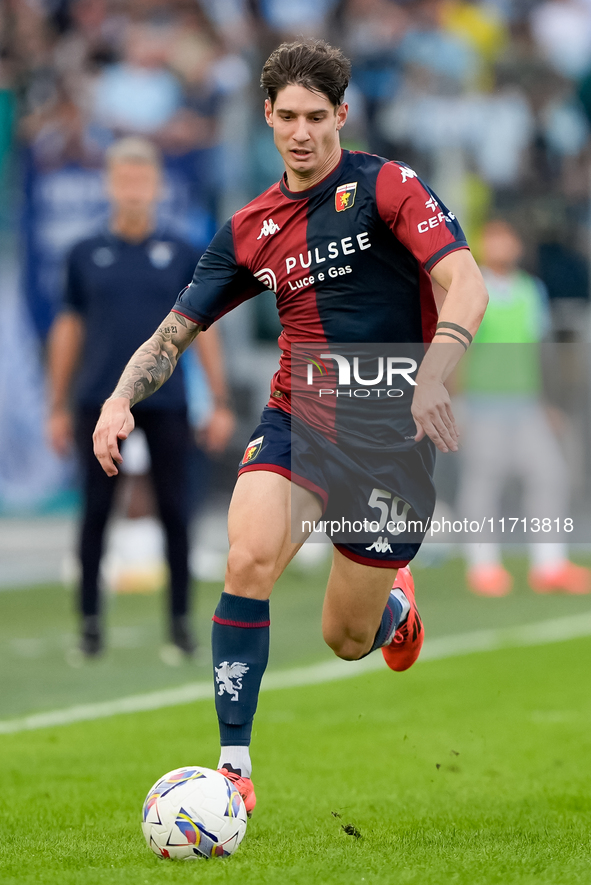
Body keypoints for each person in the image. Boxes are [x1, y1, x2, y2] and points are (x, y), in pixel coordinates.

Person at [92, 41, 488, 814]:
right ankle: (232, 766)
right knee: (246, 559)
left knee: (344, 637)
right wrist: (117, 400)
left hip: (388, 439)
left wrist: (436, 369)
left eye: (317, 116)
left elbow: (464, 282)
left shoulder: (387, 188)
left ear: (341, 115)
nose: (301, 131)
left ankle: (393, 609)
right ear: (266, 117)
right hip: (297, 419)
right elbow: (173, 331)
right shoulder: (250, 228)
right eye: (286, 117)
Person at [47, 136, 235, 660]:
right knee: (95, 512)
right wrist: (58, 405)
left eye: (141, 179)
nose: (132, 189)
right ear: (109, 185)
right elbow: (68, 330)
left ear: (155, 186)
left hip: (168, 399)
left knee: (177, 511)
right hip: (101, 400)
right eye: (123, 178)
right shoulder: (85, 254)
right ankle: (88, 624)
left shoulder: (180, 254)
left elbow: (205, 330)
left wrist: (218, 400)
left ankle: (179, 624)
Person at [456, 219, 590, 596]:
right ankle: (483, 567)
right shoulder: (470, 287)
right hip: (483, 403)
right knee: (484, 483)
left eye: (507, 238)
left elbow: (539, 350)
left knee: (550, 476)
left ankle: (550, 565)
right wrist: (458, 402)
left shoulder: (532, 290)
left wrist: (547, 401)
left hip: (525, 403)